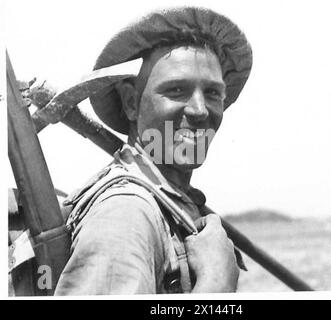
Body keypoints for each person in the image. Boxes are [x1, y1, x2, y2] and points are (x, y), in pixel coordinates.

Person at [55, 6, 252, 295]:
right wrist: (216, 283)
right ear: (131, 103)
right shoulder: (127, 213)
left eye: (212, 93)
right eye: (176, 90)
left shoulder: (167, 203)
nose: (200, 111)